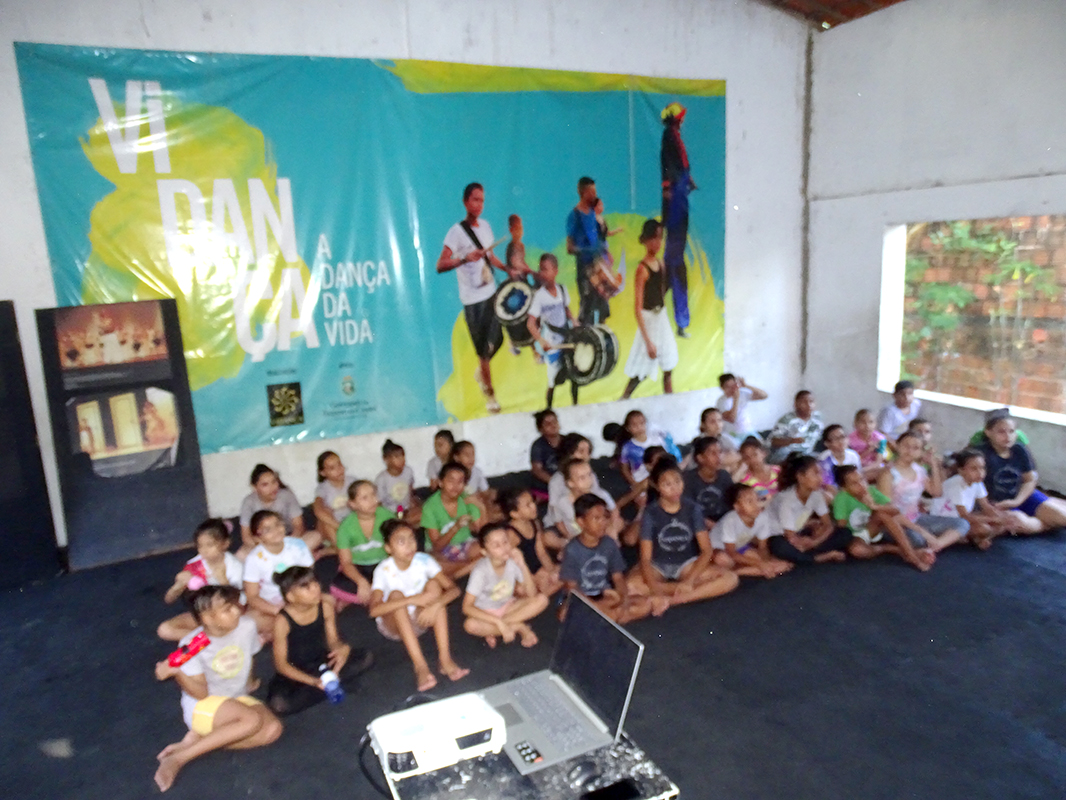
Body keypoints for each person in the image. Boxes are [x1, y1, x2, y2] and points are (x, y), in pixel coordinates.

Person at [153, 586, 282, 792]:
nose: (237, 611)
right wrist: (176, 672)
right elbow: (200, 693)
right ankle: (179, 758)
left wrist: (249, 682)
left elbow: (248, 656)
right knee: (251, 720)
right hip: (203, 704)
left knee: (272, 730)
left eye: (235, 605)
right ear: (208, 618)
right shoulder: (193, 644)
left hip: (235, 698)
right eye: (227, 609)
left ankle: (201, 741)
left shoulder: (246, 626)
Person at [436, 182, 513, 414]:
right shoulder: (456, 232)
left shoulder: (486, 226)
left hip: (490, 294)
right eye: (475, 200)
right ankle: (490, 395)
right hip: (473, 301)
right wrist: (464, 259)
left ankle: (482, 372)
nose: (479, 205)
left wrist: (507, 269)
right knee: (482, 352)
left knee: (498, 340)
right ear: (465, 202)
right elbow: (440, 264)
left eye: (482, 200)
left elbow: (491, 257)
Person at [368, 520, 469, 692]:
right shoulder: (383, 570)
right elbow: (373, 610)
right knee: (396, 595)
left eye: (411, 539)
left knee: (434, 587)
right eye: (401, 541)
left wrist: (436, 604)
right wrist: (411, 600)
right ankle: (420, 666)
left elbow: (454, 589)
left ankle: (445, 660)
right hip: (394, 626)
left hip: (421, 619)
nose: (409, 545)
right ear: (388, 548)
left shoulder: (424, 560)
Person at [630, 460, 739, 615]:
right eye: (667, 484)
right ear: (657, 486)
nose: (675, 488)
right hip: (657, 565)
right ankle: (674, 592)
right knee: (630, 586)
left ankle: (676, 599)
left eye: (677, 482)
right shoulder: (650, 512)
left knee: (730, 578)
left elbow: (706, 550)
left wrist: (689, 581)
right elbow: (645, 558)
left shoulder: (693, 508)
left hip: (686, 564)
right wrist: (654, 589)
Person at [267, 566, 373, 715]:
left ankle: (325, 686)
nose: (316, 588)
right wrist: (313, 681)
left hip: (322, 661)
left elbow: (333, 640)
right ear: (291, 596)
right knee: (279, 705)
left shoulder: (325, 606)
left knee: (366, 657)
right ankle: (329, 685)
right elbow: (281, 665)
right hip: (296, 670)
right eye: (306, 587)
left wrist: (342, 649)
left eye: (315, 582)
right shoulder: (282, 621)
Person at [560, 494, 652, 623]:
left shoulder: (609, 543)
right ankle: (610, 617)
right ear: (581, 522)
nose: (603, 522)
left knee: (644, 604)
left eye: (605, 517)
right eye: (596, 518)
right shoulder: (572, 550)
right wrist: (595, 606)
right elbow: (572, 589)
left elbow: (618, 577)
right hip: (582, 598)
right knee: (564, 614)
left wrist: (624, 599)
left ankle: (603, 618)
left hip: (606, 595)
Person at [977, 408, 1066, 533]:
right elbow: (973, 485)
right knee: (1018, 522)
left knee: (1061, 517)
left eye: (1011, 431)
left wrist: (1016, 501)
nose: (1007, 436)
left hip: (1023, 497)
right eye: (1001, 432)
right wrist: (987, 506)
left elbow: (1029, 479)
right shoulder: (980, 454)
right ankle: (1043, 522)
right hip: (998, 504)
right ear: (988, 432)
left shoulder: (1019, 449)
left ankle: (1044, 518)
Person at [832, 465, 935, 572]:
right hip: (857, 535)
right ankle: (890, 549)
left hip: (875, 529)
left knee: (882, 514)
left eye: (862, 480)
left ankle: (912, 557)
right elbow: (841, 527)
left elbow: (896, 510)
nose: (861, 485)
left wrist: (874, 506)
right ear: (844, 488)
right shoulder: (841, 499)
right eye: (854, 483)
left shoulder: (871, 491)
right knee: (857, 550)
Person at [461, 522, 548, 648]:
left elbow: (532, 594)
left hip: (508, 607)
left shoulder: (512, 561)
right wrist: (497, 621)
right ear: (485, 552)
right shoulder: (480, 571)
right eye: (496, 545)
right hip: (485, 613)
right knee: (470, 625)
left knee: (542, 599)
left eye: (505, 542)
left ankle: (495, 630)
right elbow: (466, 607)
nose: (504, 547)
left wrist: (522, 564)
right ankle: (518, 626)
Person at [877, 431, 965, 552]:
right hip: (896, 524)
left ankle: (935, 546)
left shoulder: (919, 470)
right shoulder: (888, 474)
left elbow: (937, 493)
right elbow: (889, 512)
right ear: (897, 446)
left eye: (916, 448)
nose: (910, 451)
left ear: (921, 452)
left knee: (962, 524)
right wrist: (923, 532)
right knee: (917, 540)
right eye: (906, 446)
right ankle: (931, 543)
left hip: (916, 518)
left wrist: (933, 464)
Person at [158, 519, 244, 641]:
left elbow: (240, 603)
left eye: (210, 545)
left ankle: (208, 640)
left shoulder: (235, 566)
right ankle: (212, 639)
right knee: (164, 630)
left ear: (225, 544)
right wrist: (179, 585)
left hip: (227, 616)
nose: (204, 550)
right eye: (200, 546)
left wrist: (223, 580)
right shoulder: (195, 565)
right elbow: (168, 599)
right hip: (205, 616)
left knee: (248, 623)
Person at [620, 219, 678, 399]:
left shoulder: (661, 264)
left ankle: (671, 401)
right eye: (653, 238)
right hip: (648, 321)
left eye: (660, 238)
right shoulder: (642, 269)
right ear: (645, 240)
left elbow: (661, 292)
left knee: (668, 366)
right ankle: (623, 400)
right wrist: (648, 341)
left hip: (661, 318)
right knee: (640, 371)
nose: (657, 242)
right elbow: (637, 308)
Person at [766, 455, 854, 564]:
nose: (820, 478)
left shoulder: (816, 494)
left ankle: (804, 556)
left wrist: (814, 542)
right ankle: (818, 557)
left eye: (820, 473)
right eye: (815, 473)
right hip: (780, 536)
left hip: (800, 532)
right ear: (800, 477)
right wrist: (805, 541)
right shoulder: (786, 500)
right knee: (780, 547)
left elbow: (828, 524)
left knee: (845, 533)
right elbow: (790, 537)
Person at [242, 510, 315, 638]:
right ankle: (285, 630)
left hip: (299, 599)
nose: (275, 530)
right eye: (267, 530)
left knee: (325, 603)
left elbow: (309, 578)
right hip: (271, 607)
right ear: (257, 538)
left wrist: (297, 604)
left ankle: (278, 633)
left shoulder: (298, 545)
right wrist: (278, 611)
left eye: (277, 524)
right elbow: (252, 596)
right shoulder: (254, 559)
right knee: (249, 621)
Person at [660, 101, 696, 338]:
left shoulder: (674, 136)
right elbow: (668, 167)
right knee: (673, 263)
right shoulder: (669, 136)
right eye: (681, 116)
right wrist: (670, 189)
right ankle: (678, 321)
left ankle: (680, 321)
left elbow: (680, 167)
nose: (683, 119)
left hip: (679, 200)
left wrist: (688, 181)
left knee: (674, 262)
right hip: (675, 202)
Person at [927, 450, 1014, 548]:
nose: (980, 473)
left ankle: (977, 538)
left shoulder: (977, 482)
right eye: (974, 469)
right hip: (946, 521)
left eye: (982, 468)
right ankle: (967, 537)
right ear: (961, 471)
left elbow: (986, 506)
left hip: (962, 519)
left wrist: (1001, 518)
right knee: (983, 529)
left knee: (1004, 522)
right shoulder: (955, 485)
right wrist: (994, 519)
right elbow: (965, 516)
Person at [330, 480, 395, 606]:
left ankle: (363, 599)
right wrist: (361, 582)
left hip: (384, 564)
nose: (373, 500)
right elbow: (346, 562)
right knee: (336, 585)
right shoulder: (345, 527)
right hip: (359, 567)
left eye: (373, 495)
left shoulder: (387, 516)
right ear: (352, 504)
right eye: (365, 498)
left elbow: (397, 547)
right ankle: (375, 597)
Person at [708, 483, 792, 579]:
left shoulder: (762, 517)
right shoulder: (730, 521)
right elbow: (731, 552)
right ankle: (737, 572)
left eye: (757, 500)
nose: (756, 505)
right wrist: (760, 564)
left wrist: (766, 563)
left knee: (761, 559)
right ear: (737, 507)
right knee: (724, 559)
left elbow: (763, 547)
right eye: (749, 501)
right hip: (718, 550)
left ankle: (747, 570)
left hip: (740, 547)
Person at [527, 253, 579, 408]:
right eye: (541, 269)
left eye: (546, 269)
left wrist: (574, 321)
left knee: (574, 374)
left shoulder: (562, 289)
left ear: (555, 271)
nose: (542, 273)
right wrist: (541, 341)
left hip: (566, 336)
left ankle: (576, 406)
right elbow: (530, 323)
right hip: (552, 341)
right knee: (553, 380)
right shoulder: (539, 296)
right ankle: (548, 408)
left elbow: (566, 309)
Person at [238, 464, 320, 559]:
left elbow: (299, 526)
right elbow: (246, 536)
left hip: (287, 539)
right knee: (240, 555)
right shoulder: (249, 502)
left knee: (315, 536)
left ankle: (279, 559)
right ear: (255, 488)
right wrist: (268, 547)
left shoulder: (287, 495)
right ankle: (287, 559)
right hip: (263, 543)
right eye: (265, 485)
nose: (272, 487)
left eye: (274, 482)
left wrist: (284, 544)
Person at [422, 462, 482, 578]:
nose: (456, 486)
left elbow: (481, 530)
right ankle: (470, 566)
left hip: (465, 544)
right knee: (433, 563)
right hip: (441, 551)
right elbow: (437, 546)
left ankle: (457, 573)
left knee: (488, 549)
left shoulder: (466, 499)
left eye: (460, 482)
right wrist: (456, 527)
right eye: (451, 481)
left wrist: (480, 506)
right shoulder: (429, 507)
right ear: (440, 482)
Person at [500, 488, 563, 597]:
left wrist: (551, 570)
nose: (534, 506)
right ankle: (539, 596)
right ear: (515, 514)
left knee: (565, 570)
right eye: (528, 505)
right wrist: (533, 578)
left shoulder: (535, 523)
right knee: (547, 583)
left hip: (538, 568)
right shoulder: (511, 534)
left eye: (533, 502)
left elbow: (541, 552)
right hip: (524, 574)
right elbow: (510, 565)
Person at [566, 176, 609, 325]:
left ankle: (603, 336)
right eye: (592, 192)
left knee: (603, 306)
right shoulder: (574, 216)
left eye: (595, 192)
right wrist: (588, 250)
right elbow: (569, 248)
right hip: (585, 269)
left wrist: (604, 252)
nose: (595, 195)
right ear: (583, 193)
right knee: (587, 308)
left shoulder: (593, 214)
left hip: (598, 266)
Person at [616, 409, 681, 487]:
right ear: (628, 428)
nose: (639, 427)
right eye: (634, 425)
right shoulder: (628, 447)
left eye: (642, 423)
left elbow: (667, 459)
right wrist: (635, 484)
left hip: (660, 477)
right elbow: (625, 469)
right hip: (640, 480)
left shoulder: (657, 439)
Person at [683, 436, 734, 529]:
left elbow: (732, 503)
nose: (718, 457)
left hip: (724, 523)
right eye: (713, 453)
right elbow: (689, 510)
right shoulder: (688, 479)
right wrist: (716, 527)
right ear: (700, 458)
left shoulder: (724, 476)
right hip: (699, 526)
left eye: (720, 452)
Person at [768, 390, 824, 464]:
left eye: (811, 401)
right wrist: (791, 441)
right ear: (795, 404)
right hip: (788, 455)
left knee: (823, 460)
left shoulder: (817, 418)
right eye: (804, 402)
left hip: (807, 454)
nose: (809, 405)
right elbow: (773, 441)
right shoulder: (787, 420)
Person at [312, 451, 355, 547]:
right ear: (323, 473)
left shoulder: (352, 482)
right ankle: (340, 549)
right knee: (324, 516)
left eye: (339, 464)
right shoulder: (323, 489)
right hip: (334, 525)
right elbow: (318, 511)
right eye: (332, 468)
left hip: (352, 522)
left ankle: (333, 550)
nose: (338, 469)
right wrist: (340, 527)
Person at [681, 407, 740, 472]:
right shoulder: (699, 442)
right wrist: (725, 459)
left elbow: (739, 454)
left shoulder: (725, 438)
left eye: (719, 420)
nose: (717, 424)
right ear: (703, 425)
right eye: (712, 422)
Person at [715, 373, 767, 440]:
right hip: (732, 434)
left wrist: (746, 385)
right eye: (728, 387)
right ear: (722, 388)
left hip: (747, 430)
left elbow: (764, 395)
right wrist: (736, 399)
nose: (732, 389)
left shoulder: (742, 394)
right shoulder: (721, 402)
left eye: (733, 386)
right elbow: (732, 418)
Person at [452, 440, 495, 516]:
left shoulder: (477, 472)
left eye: (473, 454)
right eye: (467, 455)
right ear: (456, 457)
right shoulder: (452, 473)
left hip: (475, 503)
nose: (471, 458)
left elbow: (485, 491)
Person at [816, 424, 862, 495]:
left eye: (842, 437)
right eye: (835, 439)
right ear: (827, 443)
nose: (840, 441)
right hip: (833, 491)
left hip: (851, 487)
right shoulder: (824, 459)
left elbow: (858, 476)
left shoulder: (853, 455)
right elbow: (827, 484)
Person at [737, 437, 781, 509]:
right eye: (747, 458)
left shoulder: (778, 471)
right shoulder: (745, 482)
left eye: (755, 455)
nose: (752, 460)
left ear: (763, 453)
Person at [374, 439, 415, 515]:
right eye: (397, 457)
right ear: (386, 459)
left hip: (406, 509)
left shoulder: (408, 471)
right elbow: (379, 502)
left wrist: (411, 503)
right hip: (390, 512)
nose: (401, 459)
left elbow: (410, 487)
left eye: (402, 456)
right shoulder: (381, 479)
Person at [529, 409, 562, 499]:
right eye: (548, 424)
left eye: (555, 421)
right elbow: (537, 470)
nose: (553, 425)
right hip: (545, 487)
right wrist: (555, 482)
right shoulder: (538, 446)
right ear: (540, 429)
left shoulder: (568, 441)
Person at [849, 408, 888, 479]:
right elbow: (852, 460)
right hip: (855, 466)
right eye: (863, 422)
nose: (867, 426)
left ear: (875, 424)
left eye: (871, 422)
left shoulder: (880, 439)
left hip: (873, 467)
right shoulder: (850, 440)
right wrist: (868, 450)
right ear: (855, 424)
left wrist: (862, 470)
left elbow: (878, 462)